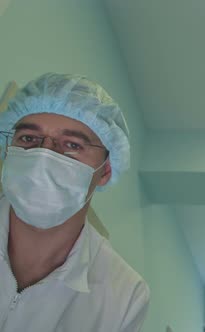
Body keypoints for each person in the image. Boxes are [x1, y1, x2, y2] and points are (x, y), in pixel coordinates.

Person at [0, 73, 150, 331]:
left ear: (105, 171)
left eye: (71, 145)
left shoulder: (124, 295)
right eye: (27, 139)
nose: (43, 155)